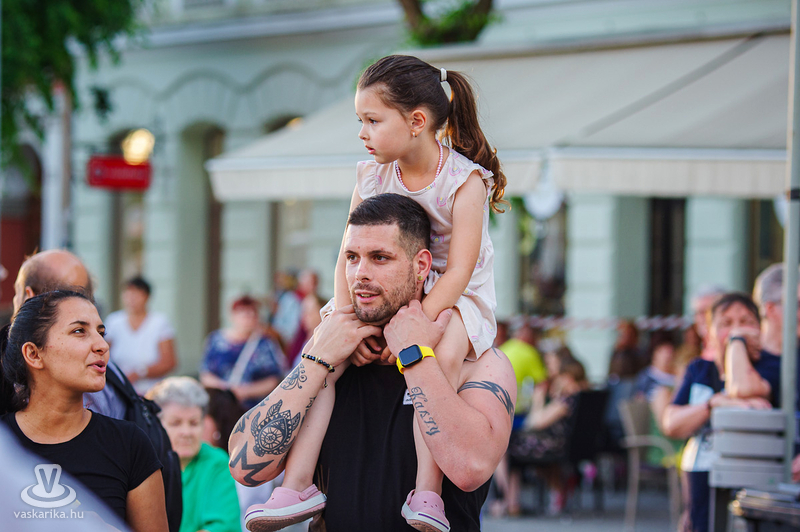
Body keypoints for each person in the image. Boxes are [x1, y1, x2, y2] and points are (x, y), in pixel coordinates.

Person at [251, 54, 508, 532]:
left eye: (372, 120)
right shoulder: (372, 176)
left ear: (416, 122)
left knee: (441, 358)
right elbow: (346, 253)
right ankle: (297, 484)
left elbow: (461, 270)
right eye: (360, 121)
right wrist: (343, 317)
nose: (362, 133)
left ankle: (427, 493)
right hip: (390, 300)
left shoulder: (464, 180)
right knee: (326, 363)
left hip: (452, 297)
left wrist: (414, 326)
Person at [229, 193, 516, 532]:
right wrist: (316, 361)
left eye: (380, 258)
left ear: (421, 266)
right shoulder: (329, 360)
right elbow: (246, 467)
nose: (360, 274)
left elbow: (470, 468)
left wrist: (415, 355)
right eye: (352, 258)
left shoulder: (477, 362)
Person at [5, 249, 183, 532]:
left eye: (101, 332)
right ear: (34, 354)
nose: (101, 345)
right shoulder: (5, 443)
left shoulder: (130, 444)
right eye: (79, 331)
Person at [662, 292, 774, 532]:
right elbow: (671, 423)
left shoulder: (768, 368)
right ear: (710, 331)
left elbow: (745, 389)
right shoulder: (699, 369)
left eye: (745, 322)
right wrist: (712, 404)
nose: (736, 331)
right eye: (726, 323)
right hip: (702, 476)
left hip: (753, 482)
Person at [148, 377, 240, 532]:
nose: (186, 432)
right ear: (156, 425)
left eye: (194, 423)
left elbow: (223, 527)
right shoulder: (144, 463)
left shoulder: (216, 462)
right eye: (176, 423)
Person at [504, 347, 588, 516]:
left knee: (506, 446)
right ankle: (553, 492)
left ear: (568, 377)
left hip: (557, 446)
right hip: (570, 445)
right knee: (516, 443)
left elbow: (535, 423)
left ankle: (510, 501)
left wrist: (538, 400)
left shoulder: (567, 399)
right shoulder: (584, 395)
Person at [200, 295, 285, 410]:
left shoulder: (266, 343)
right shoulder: (216, 340)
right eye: (244, 313)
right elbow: (206, 374)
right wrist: (227, 390)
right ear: (233, 315)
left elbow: (273, 379)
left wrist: (245, 391)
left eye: (252, 314)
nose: (248, 318)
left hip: (254, 408)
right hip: (222, 407)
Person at [105, 276, 177, 394]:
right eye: (128, 294)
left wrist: (139, 373)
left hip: (152, 392)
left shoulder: (160, 322)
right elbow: (103, 354)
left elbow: (169, 362)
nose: (131, 299)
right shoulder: (113, 321)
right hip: (118, 390)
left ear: (147, 296)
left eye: (136, 294)